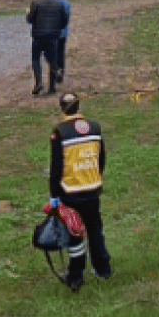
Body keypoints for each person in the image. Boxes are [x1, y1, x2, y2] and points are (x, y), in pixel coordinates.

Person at [48, 92, 112, 292]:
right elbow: (101, 159)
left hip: (70, 193)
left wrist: (54, 195)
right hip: (92, 190)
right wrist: (95, 177)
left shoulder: (60, 132)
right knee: (95, 231)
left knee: (76, 235)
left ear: (62, 108)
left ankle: (76, 276)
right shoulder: (94, 128)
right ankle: (104, 269)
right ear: (79, 106)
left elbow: (56, 167)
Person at [27, 0, 69, 95]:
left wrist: (28, 13)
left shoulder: (36, 3)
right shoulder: (59, 4)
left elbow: (30, 20)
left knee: (36, 58)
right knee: (52, 61)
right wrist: (57, 28)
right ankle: (52, 87)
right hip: (53, 37)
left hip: (38, 36)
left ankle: (39, 82)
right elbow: (65, 21)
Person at [48, 0, 70, 87]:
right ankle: (61, 73)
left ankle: (54, 75)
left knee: (52, 55)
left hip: (51, 32)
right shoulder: (65, 1)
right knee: (61, 53)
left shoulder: (47, 1)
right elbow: (68, 15)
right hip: (63, 32)